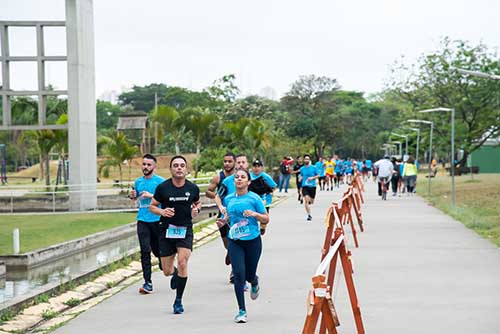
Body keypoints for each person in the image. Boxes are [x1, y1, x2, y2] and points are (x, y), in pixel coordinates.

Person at [149, 155, 201, 314]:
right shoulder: (163, 188)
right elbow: (152, 206)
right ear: (171, 169)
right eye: (176, 165)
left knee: (183, 261)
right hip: (166, 231)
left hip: (185, 230)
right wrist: (162, 211)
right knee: (166, 271)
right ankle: (175, 273)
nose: (179, 168)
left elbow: (198, 202)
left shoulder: (192, 188)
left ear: (186, 169)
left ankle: (178, 300)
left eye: (182, 165)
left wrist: (196, 209)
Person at [216, 169, 269, 323]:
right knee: (239, 274)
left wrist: (255, 215)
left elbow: (266, 218)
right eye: (237, 177)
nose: (239, 179)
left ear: (248, 182)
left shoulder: (254, 198)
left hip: (253, 240)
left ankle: (254, 281)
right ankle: (242, 310)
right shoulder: (229, 199)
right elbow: (228, 218)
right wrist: (222, 221)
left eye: (242, 177)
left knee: (249, 275)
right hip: (235, 241)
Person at [129, 154, 165, 294]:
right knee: (145, 250)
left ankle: (166, 265)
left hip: (157, 220)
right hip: (142, 220)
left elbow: (165, 200)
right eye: (144, 164)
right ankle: (147, 282)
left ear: (154, 166)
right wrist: (133, 195)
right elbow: (135, 197)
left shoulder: (161, 182)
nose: (146, 167)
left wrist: (152, 196)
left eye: (149, 165)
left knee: (158, 251)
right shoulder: (138, 182)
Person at [214, 153, 250, 283]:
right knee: (228, 244)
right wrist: (221, 207)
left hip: (241, 220)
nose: (240, 165)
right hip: (225, 217)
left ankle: (236, 272)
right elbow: (217, 196)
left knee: (240, 245)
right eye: (238, 162)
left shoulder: (249, 181)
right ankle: (230, 252)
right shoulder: (227, 181)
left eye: (242, 162)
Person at [205, 152, 236, 266]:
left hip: (236, 213)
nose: (227, 164)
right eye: (225, 161)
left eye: (229, 161)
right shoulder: (218, 177)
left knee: (236, 240)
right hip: (222, 212)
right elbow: (208, 192)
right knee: (226, 242)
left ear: (235, 163)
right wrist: (219, 197)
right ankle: (230, 251)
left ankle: (234, 269)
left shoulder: (239, 177)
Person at [299, 154, 320, 221]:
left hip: (312, 186)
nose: (306, 160)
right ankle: (309, 215)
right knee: (306, 200)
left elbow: (318, 175)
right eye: (305, 159)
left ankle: (310, 201)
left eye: (307, 159)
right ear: (304, 160)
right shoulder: (302, 168)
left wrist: (312, 178)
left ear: (309, 160)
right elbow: (301, 175)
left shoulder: (314, 167)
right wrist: (300, 178)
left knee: (312, 201)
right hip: (305, 186)